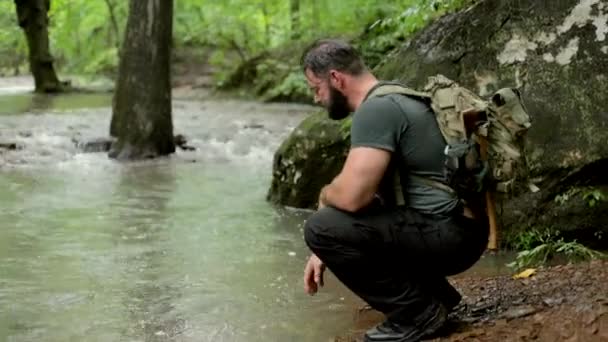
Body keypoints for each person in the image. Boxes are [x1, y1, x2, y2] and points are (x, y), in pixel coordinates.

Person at [300, 38, 489, 342]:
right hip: (464, 229)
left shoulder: (376, 111)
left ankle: (418, 314)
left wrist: (323, 199)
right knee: (342, 223)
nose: (316, 98)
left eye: (315, 88)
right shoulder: (396, 98)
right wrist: (321, 252)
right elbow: (368, 197)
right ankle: (437, 298)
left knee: (320, 228)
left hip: (450, 235)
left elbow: (351, 197)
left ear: (336, 78)